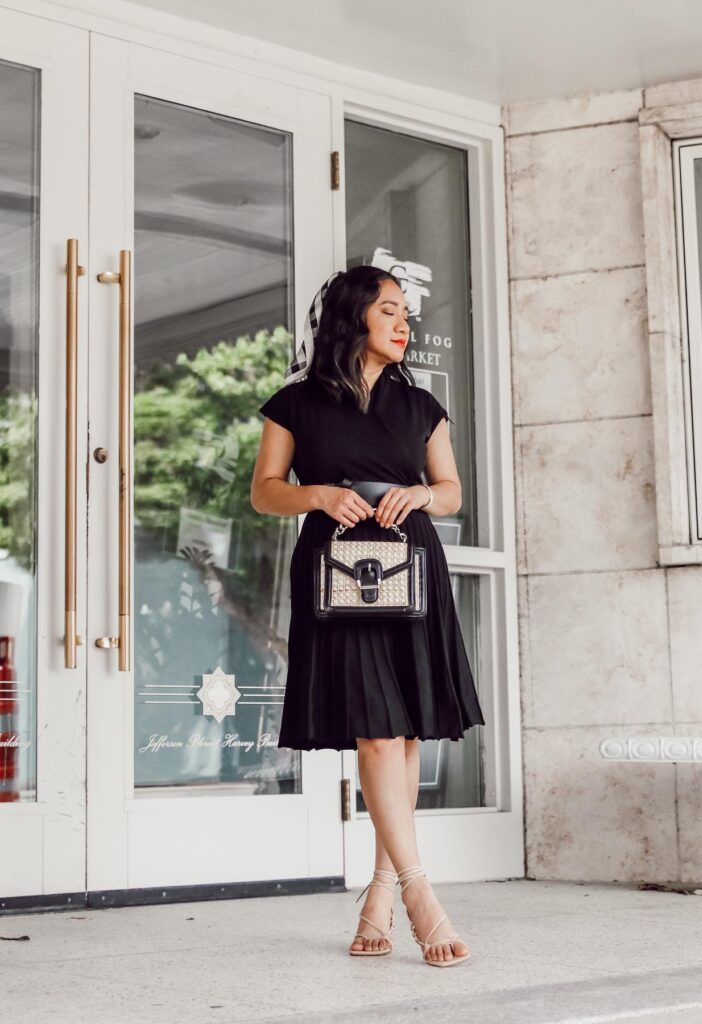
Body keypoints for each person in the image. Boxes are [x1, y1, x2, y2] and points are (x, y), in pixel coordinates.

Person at [250, 265, 485, 967]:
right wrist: (317, 496)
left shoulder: (421, 406)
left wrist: (423, 499)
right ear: (353, 319)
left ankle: (379, 893)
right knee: (378, 734)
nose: (402, 322)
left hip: (411, 571)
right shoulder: (293, 405)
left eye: (405, 311)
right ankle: (420, 895)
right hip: (338, 576)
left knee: (404, 735)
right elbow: (265, 493)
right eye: (389, 309)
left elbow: (450, 490)